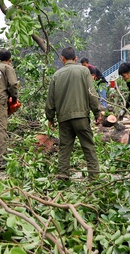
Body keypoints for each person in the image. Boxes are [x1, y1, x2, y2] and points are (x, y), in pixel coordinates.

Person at [45, 47, 103, 181]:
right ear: (76, 59)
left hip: (63, 118)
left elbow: (50, 99)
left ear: (62, 59)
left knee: (64, 148)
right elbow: (91, 93)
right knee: (88, 147)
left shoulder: (56, 75)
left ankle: (62, 176)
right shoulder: (84, 71)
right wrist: (97, 112)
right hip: (81, 117)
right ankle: (94, 178)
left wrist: (50, 117)